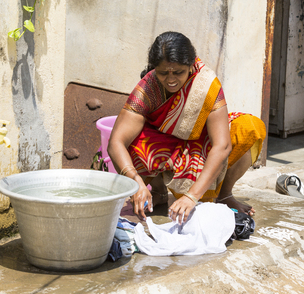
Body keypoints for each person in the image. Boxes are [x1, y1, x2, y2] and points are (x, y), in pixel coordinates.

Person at [108, 31, 266, 224]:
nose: (170, 79)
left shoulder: (206, 84)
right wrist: (135, 181)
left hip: (202, 144)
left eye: (178, 72)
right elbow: (116, 141)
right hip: (167, 148)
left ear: (191, 66)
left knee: (249, 127)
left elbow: (222, 145)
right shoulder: (148, 87)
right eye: (163, 73)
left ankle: (224, 196)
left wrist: (192, 196)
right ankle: (159, 193)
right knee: (135, 140)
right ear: (154, 69)